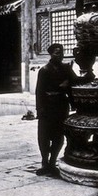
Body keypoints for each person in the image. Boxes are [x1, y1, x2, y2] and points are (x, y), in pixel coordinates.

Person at [34, 43, 80, 177]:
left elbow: (74, 82)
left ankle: (52, 162)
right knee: (44, 136)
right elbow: (39, 92)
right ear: (51, 54)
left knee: (58, 136)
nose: (59, 55)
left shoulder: (66, 68)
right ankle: (45, 162)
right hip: (47, 107)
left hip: (61, 106)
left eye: (61, 52)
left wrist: (73, 102)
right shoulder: (44, 70)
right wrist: (39, 109)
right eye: (56, 52)